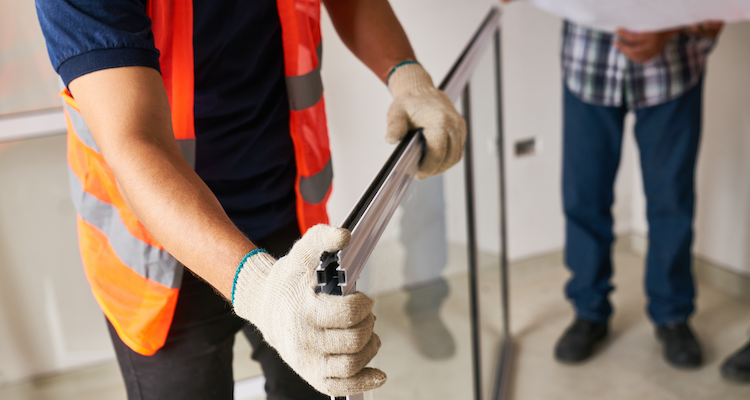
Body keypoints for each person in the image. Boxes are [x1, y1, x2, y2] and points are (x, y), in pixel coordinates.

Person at [35, 0, 466, 399]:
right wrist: (262, 291)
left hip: (290, 219)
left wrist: (406, 74)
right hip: (161, 265)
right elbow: (135, 141)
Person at [554, 20, 722, 368]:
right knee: (584, 197)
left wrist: (671, 28)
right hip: (588, 63)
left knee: (672, 201)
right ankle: (588, 310)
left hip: (673, 68)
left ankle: (672, 314)